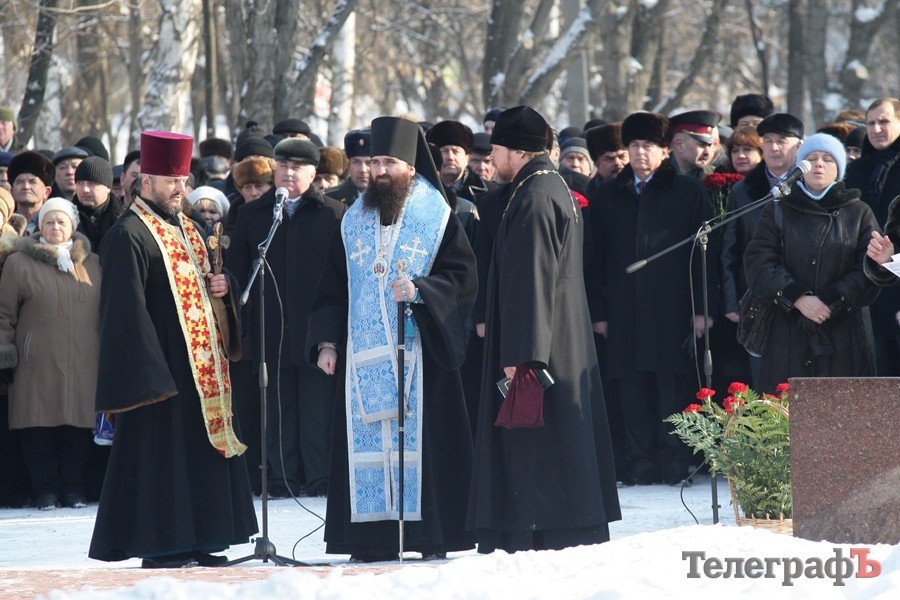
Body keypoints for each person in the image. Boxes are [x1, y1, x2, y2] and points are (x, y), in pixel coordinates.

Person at [308, 116, 476, 562]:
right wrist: (326, 342)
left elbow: (463, 278)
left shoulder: (437, 215)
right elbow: (331, 286)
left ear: (411, 166)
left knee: (424, 447)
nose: (379, 171)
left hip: (422, 356)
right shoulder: (352, 221)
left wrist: (423, 290)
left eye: (389, 162)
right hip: (362, 361)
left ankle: (426, 536)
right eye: (373, 161)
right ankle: (369, 539)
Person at [89, 130, 257, 569]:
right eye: (171, 182)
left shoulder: (193, 229)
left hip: (203, 372)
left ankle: (204, 539)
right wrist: (152, 376)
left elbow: (214, 289)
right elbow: (123, 314)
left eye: (183, 180)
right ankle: (165, 547)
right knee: (163, 461)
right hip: (160, 375)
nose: (180, 189)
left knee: (199, 458)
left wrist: (225, 288)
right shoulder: (128, 235)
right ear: (146, 182)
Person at [468, 106, 620, 553]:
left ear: (517, 151)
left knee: (540, 443)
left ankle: (540, 529)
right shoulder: (548, 186)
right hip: (559, 338)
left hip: (540, 344)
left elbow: (530, 281)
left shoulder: (534, 196)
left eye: (495, 149)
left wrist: (522, 358)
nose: (490, 158)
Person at [587, 111, 715, 486]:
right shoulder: (608, 195)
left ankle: (675, 461)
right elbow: (594, 259)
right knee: (631, 387)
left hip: (671, 306)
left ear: (665, 151)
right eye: (633, 146)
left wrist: (702, 309)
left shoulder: (688, 193)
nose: (639, 154)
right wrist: (599, 310)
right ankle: (639, 463)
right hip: (623, 307)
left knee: (670, 386)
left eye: (648, 146)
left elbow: (703, 253)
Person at [226, 137, 345, 499]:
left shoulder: (332, 214)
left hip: (314, 329)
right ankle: (281, 477)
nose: (288, 173)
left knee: (315, 407)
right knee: (275, 406)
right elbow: (238, 273)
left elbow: (339, 282)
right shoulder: (252, 215)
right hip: (269, 329)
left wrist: (330, 337)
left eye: (297, 168)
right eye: (282, 167)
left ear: (313, 174)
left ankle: (318, 476)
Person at [744, 133, 879, 393]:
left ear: (839, 169)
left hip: (844, 331)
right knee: (785, 418)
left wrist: (831, 299)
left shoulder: (859, 211)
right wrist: (797, 297)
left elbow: (868, 269)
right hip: (787, 330)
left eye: (827, 159)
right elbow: (759, 263)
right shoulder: (778, 209)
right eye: (811, 158)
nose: (818, 164)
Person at [0, 198, 101, 511]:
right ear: (39, 226)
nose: (55, 228)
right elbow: (4, 314)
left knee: (77, 429)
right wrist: (6, 353)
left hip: (84, 361)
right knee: (37, 429)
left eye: (61, 222)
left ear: (72, 226)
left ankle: (73, 489)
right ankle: (45, 490)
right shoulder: (19, 263)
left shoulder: (93, 263)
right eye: (48, 222)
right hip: (36, 363)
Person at [844, 98, 900, 375]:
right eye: (871, 123)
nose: (877, 128)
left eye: (884, 121)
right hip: (863, 286)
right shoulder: (855, 171)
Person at [73, 156, 123, 248]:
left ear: (108, 188)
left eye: (92, 183)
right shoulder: (66, 216)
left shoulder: (123, 218)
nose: (85, 189)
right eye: (80, 183)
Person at [8, 151, 54, 235]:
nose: (26, 187)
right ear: (11, 191)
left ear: (46, 192)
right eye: (19, 182)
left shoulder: (56, 225)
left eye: (32, 182)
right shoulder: (4, 224)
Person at [326, 129, 371, 206]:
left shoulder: (390, 200)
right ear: (348, 165)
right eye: (356, 162)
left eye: (368, 163)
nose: (362, 170)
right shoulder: (328, 199)